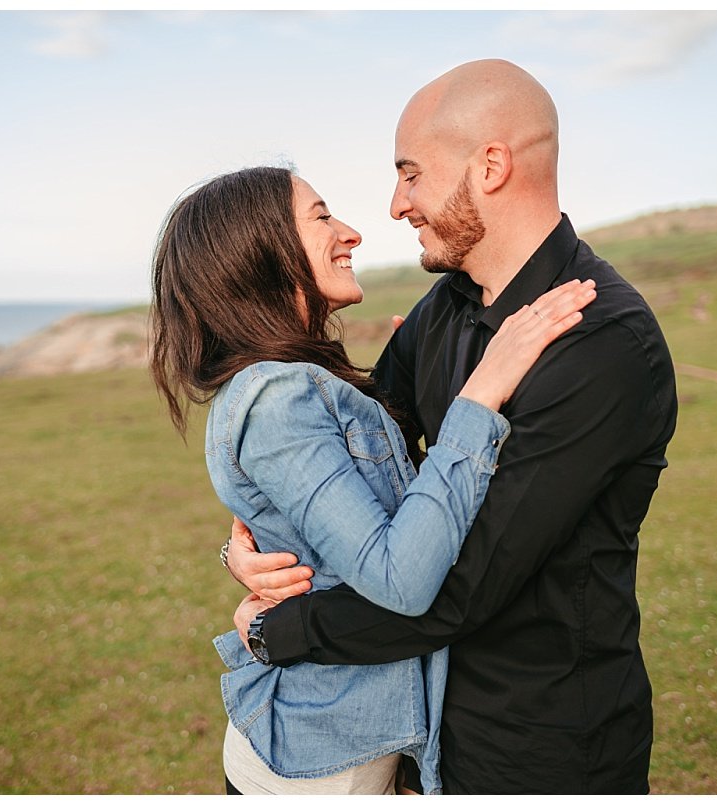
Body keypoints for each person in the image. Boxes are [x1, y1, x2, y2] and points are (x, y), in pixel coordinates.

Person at [226, 59, 679, 794]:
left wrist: (278, 630)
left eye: (410, 173)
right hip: (415, 727)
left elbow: (460, 588)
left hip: (538, 741)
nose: (396, 204)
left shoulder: (603, 344)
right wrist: (248, 549)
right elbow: (343, 458)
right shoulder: (444, 311)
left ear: (491, 165)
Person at [149, 165, 596, 794]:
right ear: (260, 252)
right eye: (322, 217)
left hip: (352, 746)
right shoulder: (277, 397)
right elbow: (400, 578)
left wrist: (240, 554)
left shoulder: (300, 381)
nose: (352, 232)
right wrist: (484, 389)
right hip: (319, 767)